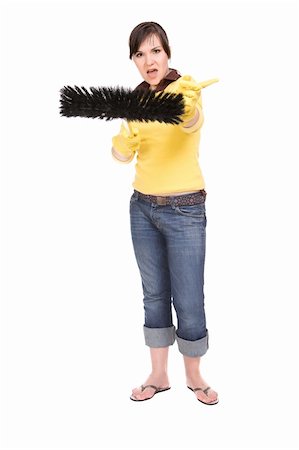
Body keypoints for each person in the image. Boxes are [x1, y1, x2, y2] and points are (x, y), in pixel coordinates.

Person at [111, 21, 219, 405]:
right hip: (142, 208)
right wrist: (127, 136)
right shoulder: (134, 102)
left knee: (188, 296)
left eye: (155, 51)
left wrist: (189, 108)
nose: (148, 60)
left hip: (185, 208)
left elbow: (193, 123)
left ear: (167, 54)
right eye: (139, 54)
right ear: (134, 61)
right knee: (154, 294)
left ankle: (194, 376)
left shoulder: (184, 89)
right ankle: (159, 374)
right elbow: (121, 155)